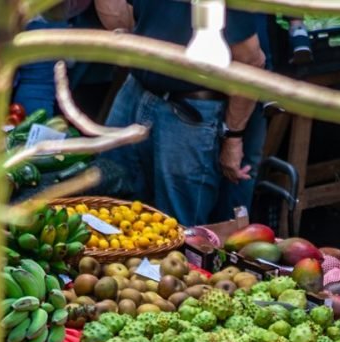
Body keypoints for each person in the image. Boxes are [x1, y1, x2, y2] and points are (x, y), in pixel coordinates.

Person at [96, 0, 269, 226]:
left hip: (188, 111)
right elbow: (127, 17)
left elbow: (252, 62)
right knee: (108, 206)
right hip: (136, 91)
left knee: (178, 227)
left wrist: (233, 138)